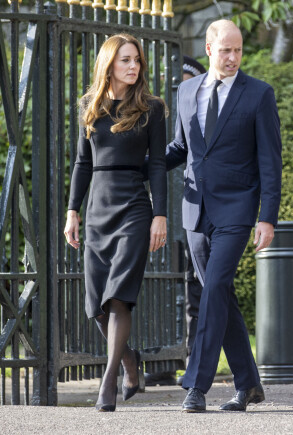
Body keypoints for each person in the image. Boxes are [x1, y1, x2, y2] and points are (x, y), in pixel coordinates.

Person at [163, 20, 282, 413]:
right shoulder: (186, 90)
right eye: (226, 50)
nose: (233, 58)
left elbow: (270, 162)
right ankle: (248, 384)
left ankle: (196, 384)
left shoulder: (259, 94)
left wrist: (267, 218)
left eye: (238, 50)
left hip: (237, 208)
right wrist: (137, 163)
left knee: (213, 287)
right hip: (195, 209)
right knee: (220, 293)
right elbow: (181, 147)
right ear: (209, 50)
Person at [63, 33, 167, 412]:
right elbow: (81, 163)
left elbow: (156, 164)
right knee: (97, 306)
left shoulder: (151, 108)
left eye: (136, 60)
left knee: (119, 296)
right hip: (97, 210)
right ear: (109, 63)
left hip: (134, 208)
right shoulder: (89, 106)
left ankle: (108, 384)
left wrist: (160, 214)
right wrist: (72, 210)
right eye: (126, 60)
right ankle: (128, 359)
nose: (133, 66)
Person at [144, 55, 207, 388]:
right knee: (159, 288)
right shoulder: (153, 112)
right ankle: (158, 360)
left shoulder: (205, 105)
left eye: (185, 80)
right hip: (160, 213)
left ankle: (193, 361)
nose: (180, 88)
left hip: (193, 211)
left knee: (198, 290)